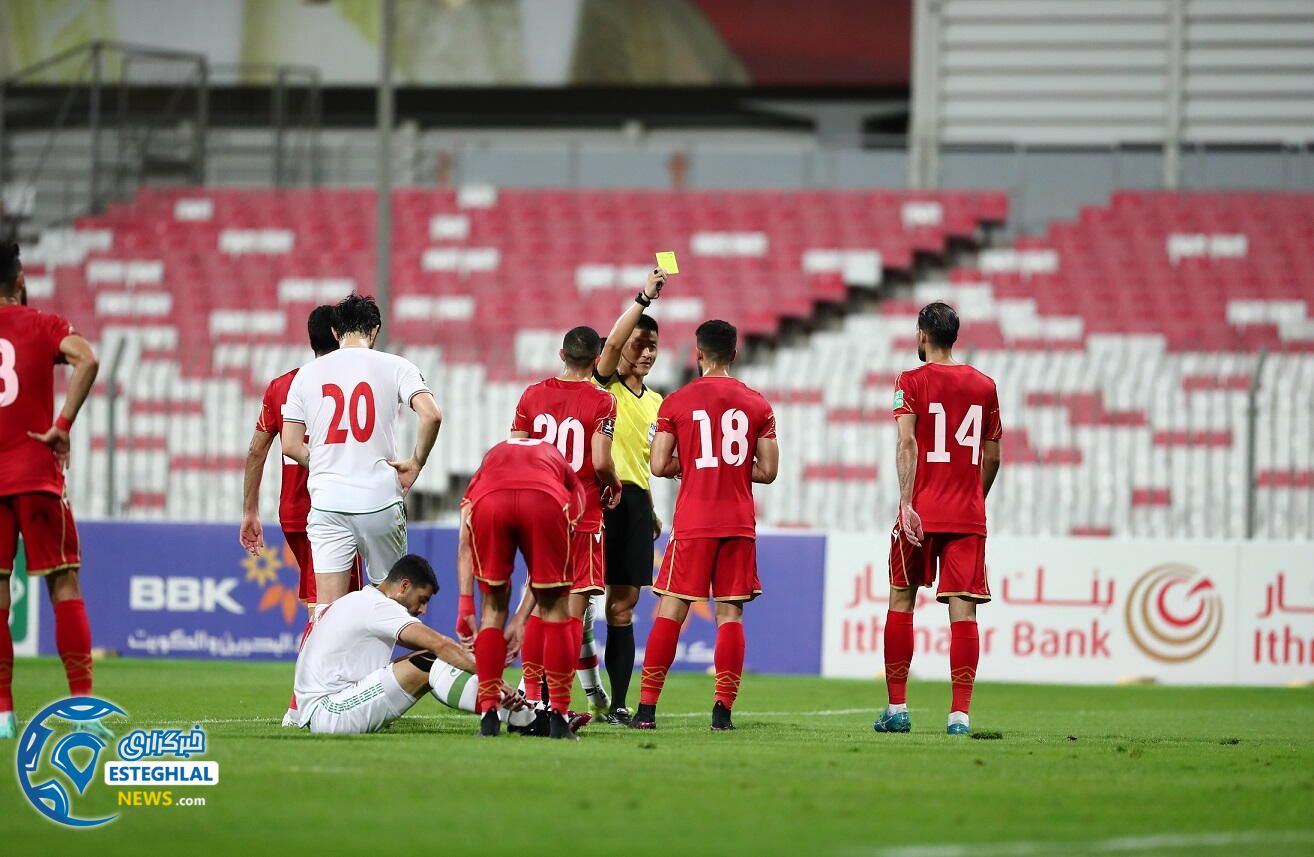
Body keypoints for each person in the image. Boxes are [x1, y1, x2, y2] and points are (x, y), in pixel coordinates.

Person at [634, 320, 778, 731]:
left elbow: (658, 464)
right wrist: (731, 468)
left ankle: (646, 711)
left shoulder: (676, 402)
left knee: (672, 609)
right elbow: (768, 471)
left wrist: (695, 463)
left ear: (698, 354)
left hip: (694, 521)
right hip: (737, 522)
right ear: (734, 354)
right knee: (730, 614)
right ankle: (722, 713)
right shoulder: (757, 404)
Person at [874, 301, 1003, 737]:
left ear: (922, 335)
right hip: (967, 515)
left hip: (921, 511)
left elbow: (907, 443)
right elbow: (992, 457)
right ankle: (959, 717)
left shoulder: (910, 381)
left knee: (901, 600)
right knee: (964, 610)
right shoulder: (985, 385)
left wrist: (906, 502)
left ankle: (897, 709)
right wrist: (972, 498)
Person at [0, 241, 104, 739]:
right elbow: (87, 359)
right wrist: (62, 425)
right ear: (19, 281)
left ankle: (2, 714)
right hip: (36, 473)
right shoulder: (41, 323)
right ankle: (82, 707)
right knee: (64, 584)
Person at [240, 304, 363, 727]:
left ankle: (339, 693)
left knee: (327, 606)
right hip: (335, 510)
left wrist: (250, 510)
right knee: (328, 610)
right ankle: (300, 703)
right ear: (339, 333)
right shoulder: (353, 382)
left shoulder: (282, 386)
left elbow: (257, 450)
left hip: (293, 512)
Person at [280, 294, 440, 607]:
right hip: (378, 498)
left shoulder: (305, 375)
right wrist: (416, 462)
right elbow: (431, 414)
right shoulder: (397, 366)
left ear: (335, 332)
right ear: (375, 329)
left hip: (328, 501)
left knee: (328, 609)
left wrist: (326, 461)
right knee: (391, 604)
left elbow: (290, 444)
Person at [502, 325, 621, 720]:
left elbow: (515, 452)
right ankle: (560, 706)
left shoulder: (531, 395)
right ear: (597, 360)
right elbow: (600, 460)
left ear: (562, 355)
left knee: (539, 605)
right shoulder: (602, 400)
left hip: (540, 513)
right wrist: (614, 484)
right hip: (582, 513)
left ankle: (532, 698)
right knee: (570, 614)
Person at [293, 554, 526, 734]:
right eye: (422, 600)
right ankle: (522, 717)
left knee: (430, 658)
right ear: (404, 586)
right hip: (329, 712)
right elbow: (440, 645)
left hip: (321, 709)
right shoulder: (379, 607)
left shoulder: (362, 600)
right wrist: (492, 678)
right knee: (431, 660)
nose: (422, 610)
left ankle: (512, 712)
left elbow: (436, 649)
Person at [455, 439, 584, 739]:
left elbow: (464, 542)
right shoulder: (556, 460)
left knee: (492, 611)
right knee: (556, 609)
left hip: (492, 502)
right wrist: (521, 619)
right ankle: (559, 718)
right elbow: (576, 497)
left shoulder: (487, 466)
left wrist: (465, 605)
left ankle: (489, 716)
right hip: (546, 500)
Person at [593, 267, 665, 724]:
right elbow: (613, 346)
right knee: (572, 602)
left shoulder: (659, 403)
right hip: (599, 500)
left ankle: (618, 702)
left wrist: (652, 510)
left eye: (653, 345)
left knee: (623, 607)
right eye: (639, 344)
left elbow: (646, 461)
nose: (646, 352)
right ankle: (546, 695)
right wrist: (643, 298)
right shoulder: (605, 385)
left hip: (636, 505)